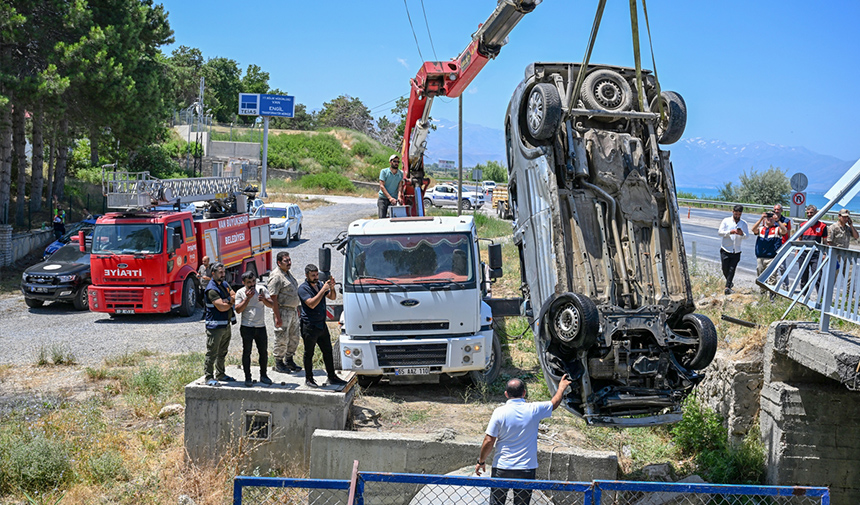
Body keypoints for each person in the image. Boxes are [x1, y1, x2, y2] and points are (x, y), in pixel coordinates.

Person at [475, 375, 573, 505]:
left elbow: (489, 440)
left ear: (506, 394)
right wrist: (561, 388)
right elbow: (554, 403)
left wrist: (481, 461)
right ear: (524, 393)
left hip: (502, 467)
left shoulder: (499, 412)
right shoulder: (534, 410)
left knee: (497, 502)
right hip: (526, 469)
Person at [298, 264, 346, 388]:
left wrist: (332, 287)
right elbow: (311, 304)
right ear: (306, 275)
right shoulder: (303, 288)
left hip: (321, 325)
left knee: (328, 351)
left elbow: (333, 297)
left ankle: (332, 376)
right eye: (312, 275)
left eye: (316, 275)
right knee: (309, 353)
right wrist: (323, 290)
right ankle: (309, 378)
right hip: (309, 326)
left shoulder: (320, 285)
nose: (315, 277)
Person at [234, 271, 276, 387]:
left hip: (260, 326)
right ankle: (248, 377)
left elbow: (272, 305)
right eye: (249, 282)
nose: (252, 284)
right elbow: (238, 310)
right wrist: (247, 298)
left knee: (263, 352)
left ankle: (264, 375)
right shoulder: (240, 292)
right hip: (247, 327)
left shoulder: (262, 289)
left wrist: (264, 300)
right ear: (244, 283)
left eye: (253, 281)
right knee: (247, 352)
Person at [267, 252, 302, 373]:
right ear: (279, 263)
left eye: (289, 260)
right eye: (286, 261)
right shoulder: (276, 276)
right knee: (282, 337)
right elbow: (273, 298)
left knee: (294, 337)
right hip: (282, 311)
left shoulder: (287, 274)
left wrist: (296, 307)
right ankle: (279, 362)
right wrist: (277, 317)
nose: (289, 263)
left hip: (292, 310)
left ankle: (289, 359)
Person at [203, 262, 236, 386]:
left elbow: (234, 295)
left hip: (225, 325)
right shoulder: (211, 289)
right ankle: (209, 377)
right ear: (213, 273)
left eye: (224, 272)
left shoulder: (224, 284)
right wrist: (230, 302)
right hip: (215, 326)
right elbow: (221, 307)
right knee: (212, 352)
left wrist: (228, 300)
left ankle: (220, 374)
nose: (223, 275)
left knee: (223, 351)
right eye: (220, 273)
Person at [717, 205, 750, 295]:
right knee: (725, 268)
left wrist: (741, 234)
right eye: (736, 214)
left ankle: (727, 287)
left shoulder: (743, 223)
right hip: (725, 249)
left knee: (732, 269)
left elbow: (747, 236)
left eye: (739, 214)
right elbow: (720, 232)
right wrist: (730, 232)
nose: (737, 216)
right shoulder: (726, 221)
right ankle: (729, 282)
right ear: (733, 212)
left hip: (736, 250)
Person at [752, 210, 787, 294]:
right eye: (768, 217)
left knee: (772, 277)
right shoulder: (761, 228)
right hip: (760, 256)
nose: (769, 219)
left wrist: (778, 220)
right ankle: (763, 293)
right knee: (760, 276)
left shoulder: (777, 229)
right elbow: (753, 229)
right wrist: (761, 219)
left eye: (771, 217)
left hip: (772, 257)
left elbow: (784, 231)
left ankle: (772, 295)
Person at [798, 204, 828, 293]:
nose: (810, 214)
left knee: (818, 275)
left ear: (816, 213)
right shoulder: (803, 225)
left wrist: (824, 253)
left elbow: (825, 241)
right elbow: (799, 239)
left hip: (816, 254)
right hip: (804, 253)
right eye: (808, 213)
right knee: (803, 275)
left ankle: (820, 297)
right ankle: (804, 295)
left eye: (811, 212)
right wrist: (797, 251)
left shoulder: (822, 226)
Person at [378, 154, 404, 218]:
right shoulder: (384, 172)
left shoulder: (400, 173)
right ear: (390, 162)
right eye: (394, 161)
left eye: (398, 162)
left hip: (394, 199)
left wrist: (399, 197)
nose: (396, 163)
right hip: (383, 198)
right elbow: (382, 186)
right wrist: (390, 198)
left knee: (394, 218)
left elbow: (400, 186)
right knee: (382, 218)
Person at [772, 204, 792, 288]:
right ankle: (772, 285)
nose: (777, 211)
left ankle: (786, 285)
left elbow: (789, 234)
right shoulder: (770, 220)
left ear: (781, 210)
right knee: (772, 267)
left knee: (782, 267)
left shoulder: (786, 221)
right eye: (775, 209)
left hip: (783, 245)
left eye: (778, 209)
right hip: (772, 245)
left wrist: (788, 247)